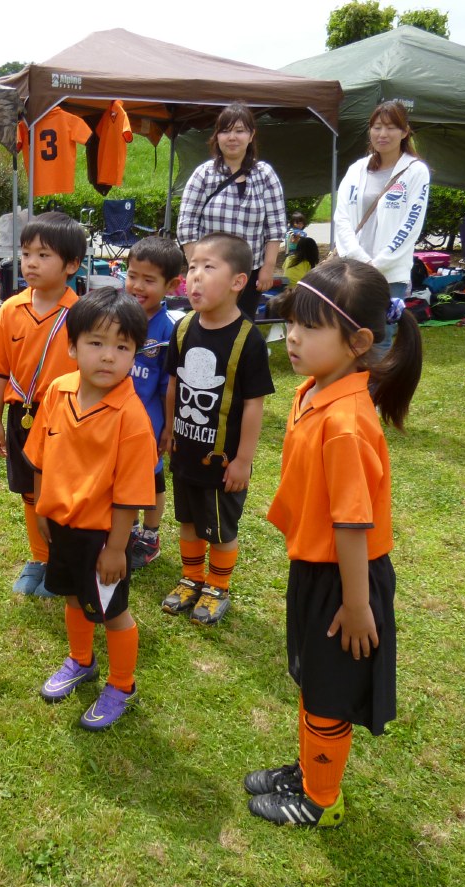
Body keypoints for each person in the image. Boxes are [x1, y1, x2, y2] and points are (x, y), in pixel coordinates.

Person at [247, 258, 422, 828]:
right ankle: (308, 770)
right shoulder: (313, 391)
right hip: (317, 566)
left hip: (346, 579)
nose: (293, 337)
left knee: (329, 693)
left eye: (311, 326)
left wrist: (355, 604)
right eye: (291, 322)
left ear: (359, 342)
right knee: (313, 678)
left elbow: (352, 525)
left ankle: (321, 800)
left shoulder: (344, 422)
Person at [23, 288, 157, 730]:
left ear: (135, 353)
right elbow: (41, 455)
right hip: (61, 525)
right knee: (71, 596)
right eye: (96, 343)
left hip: (103, 537)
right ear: (72, 346)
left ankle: (122, 684)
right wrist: (42, 507)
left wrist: (117, 548)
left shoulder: (131, 417)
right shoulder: (57, 391)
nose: (108, 356)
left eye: (123, 347)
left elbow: (129, 493)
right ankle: (81, 660)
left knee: (112, 613)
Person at [160, 232, 274, 625]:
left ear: (238, 281)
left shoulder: (248, 340)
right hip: (185, 450)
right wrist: (169, 430)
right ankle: (190, 578)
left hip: (222, 461)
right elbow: (173, 383)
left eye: (208, 267)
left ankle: (217, 586)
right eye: (192, 266)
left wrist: (243, 460)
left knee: (221, 529)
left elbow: (255, 404)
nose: (195, 276)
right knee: (189, 521)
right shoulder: (182, 328)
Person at [0, 212, 86, 596]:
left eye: (43, 255)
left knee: (61, 491)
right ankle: (39, 558)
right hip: (22, 414)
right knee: (30, 490)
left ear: (71, 265)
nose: (31, 264)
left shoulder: (81, 315)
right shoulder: (10, 309)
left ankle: (62, 561)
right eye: (26, 254)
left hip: (66, 417)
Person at [332, 100, 430, 348]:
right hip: (353, 270)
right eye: (377, 127)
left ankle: (376, 377)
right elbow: (341, 216)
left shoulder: (416, 171)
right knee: (347, 336)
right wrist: (360, 258)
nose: (382, 134)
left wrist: (379, 264)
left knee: (380, 338)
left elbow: (411, 225)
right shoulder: (357, 169)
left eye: (390, 127)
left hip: (390, 273)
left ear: (404, 132)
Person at [176, 103, 287, 322]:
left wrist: (268, 267)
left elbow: (275, 227)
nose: (232, 137)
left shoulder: (265, 174)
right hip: (211, 273)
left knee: (243, 326)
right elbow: (186, 226)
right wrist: (197, 268)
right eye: (225, 131)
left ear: (251, 135)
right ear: (217, 136)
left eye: (239, 131)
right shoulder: (203, 174)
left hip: (250, 273)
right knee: (210, 323)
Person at [123, 235, 185, 569]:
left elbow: (168, 387)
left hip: (149, 422)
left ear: (171, 285)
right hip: (115, 420)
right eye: (132, 275)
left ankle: (150, 535)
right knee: (123, 478)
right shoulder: (115, 315)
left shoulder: (168, 330)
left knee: (151, 480)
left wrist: (167, 428)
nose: (137, 285)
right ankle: (128, 528)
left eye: (149, 280)